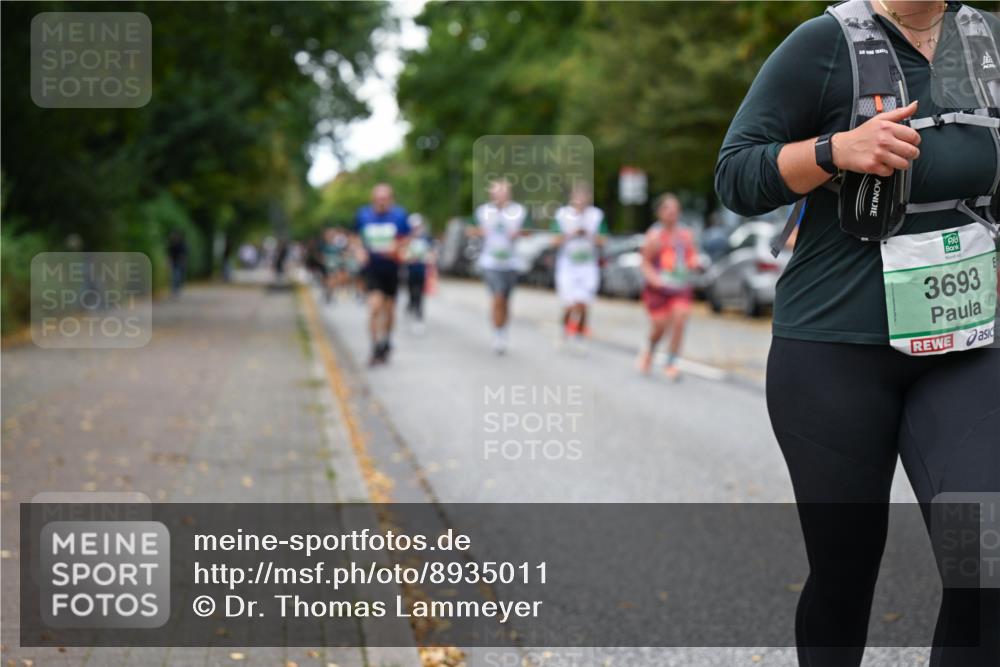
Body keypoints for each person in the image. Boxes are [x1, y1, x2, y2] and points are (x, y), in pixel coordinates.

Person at [716, 1, 999, 665]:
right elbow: (735, 174)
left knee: (983, 563)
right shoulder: (822, 45)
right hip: (833, 350)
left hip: (966, 345)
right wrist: (834, 150)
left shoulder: (988, 41)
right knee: (845, 578)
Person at [638, 194, 700, 380]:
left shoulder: (685, 234)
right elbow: (645, 263)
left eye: (675, 209)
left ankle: (671, 362)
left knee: (680, 320)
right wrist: (654, 279)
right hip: (658, 290)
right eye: (668, 209)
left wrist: (694, 262)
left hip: (680, 287)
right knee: (659, 327)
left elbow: (691, 256)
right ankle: (649, 349)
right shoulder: (654, 235)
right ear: (659, 213)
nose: (672, 213)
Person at [353, 183, 410, 365]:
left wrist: (397, 248)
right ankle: (375, 346)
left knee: (389, 309)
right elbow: (355, 238)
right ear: (373, 200)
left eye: (385, 199)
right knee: (375, 307)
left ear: (391, 199)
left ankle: (386, 339)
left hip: (392, 269)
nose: (381, 202)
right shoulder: (363, 215)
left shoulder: (399, 216)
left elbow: (406, 239)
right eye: (378, 199)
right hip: (372, 269)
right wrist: (359, 251)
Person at [469, 179, 527, 354]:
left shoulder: (518, 211)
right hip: (490, 262)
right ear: (492, 195)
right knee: (498, 298)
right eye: (497, 193)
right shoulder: (483, 212)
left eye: (504, 192)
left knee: (506, 301)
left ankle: (503, 330)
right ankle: (497, 334)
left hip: (511, 262)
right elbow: (470, 229)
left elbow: (530, 231)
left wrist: (519, 233)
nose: (500, 196)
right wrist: (480, 231)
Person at [551, 183, 607, 350]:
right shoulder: (562, 215)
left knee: (583, 304)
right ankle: (564, 329)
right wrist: (571, 234)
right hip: (568, 266)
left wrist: (590, 234)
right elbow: (553, 241)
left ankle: (580, 335)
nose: (581, 200)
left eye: (584, 197)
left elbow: (604, 240)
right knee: (569, 304)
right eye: (578, 197)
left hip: (588, 266)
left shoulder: (596, 216)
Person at [403, 213, 434, 333]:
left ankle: (419, 317)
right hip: (409, 270)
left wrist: (429, 259)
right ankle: (411, 307)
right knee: (411, 292)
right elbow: (402, 252)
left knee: (420, 294)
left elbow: (431, 252)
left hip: (422, 270)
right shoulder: (407, 238)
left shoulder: (425, 237)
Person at [166, 230, 187, 297]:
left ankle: (177, 289)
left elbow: (184, 254)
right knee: (174, 277)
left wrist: (183, 261)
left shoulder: (181, 244)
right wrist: (169, 262)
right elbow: (169, 255)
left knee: (178, 276)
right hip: (174, 262)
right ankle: (174, 290)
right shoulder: (171, 245)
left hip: (179, 262)